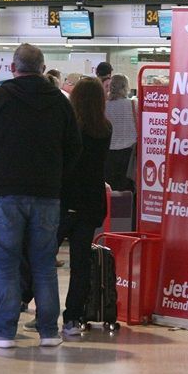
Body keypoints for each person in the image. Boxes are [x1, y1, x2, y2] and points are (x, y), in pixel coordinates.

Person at [0, 44, 80, 349]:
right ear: (43, 69)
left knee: (5, 265)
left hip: (5, 194)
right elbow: (74, 148)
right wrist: (58, 179)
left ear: (12, 68)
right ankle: (49, 331)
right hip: (47, 194)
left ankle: (4, 332)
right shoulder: (60, 102)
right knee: (44, 264)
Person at [57, 76, 111, 335]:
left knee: (43, 257)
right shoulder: (105, 129)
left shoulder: (69, 128)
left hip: (64, 199)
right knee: (80, 264)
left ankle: (33, 305)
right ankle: (72, 318)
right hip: (91, 202)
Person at [103, 73, 138, 193]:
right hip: (129, 152)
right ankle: (127, 210)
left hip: (109, 152)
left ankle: (112, 210)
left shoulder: (104, 106)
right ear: (125, 87)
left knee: (111, 188)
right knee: (127, 188)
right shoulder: (133, 104)